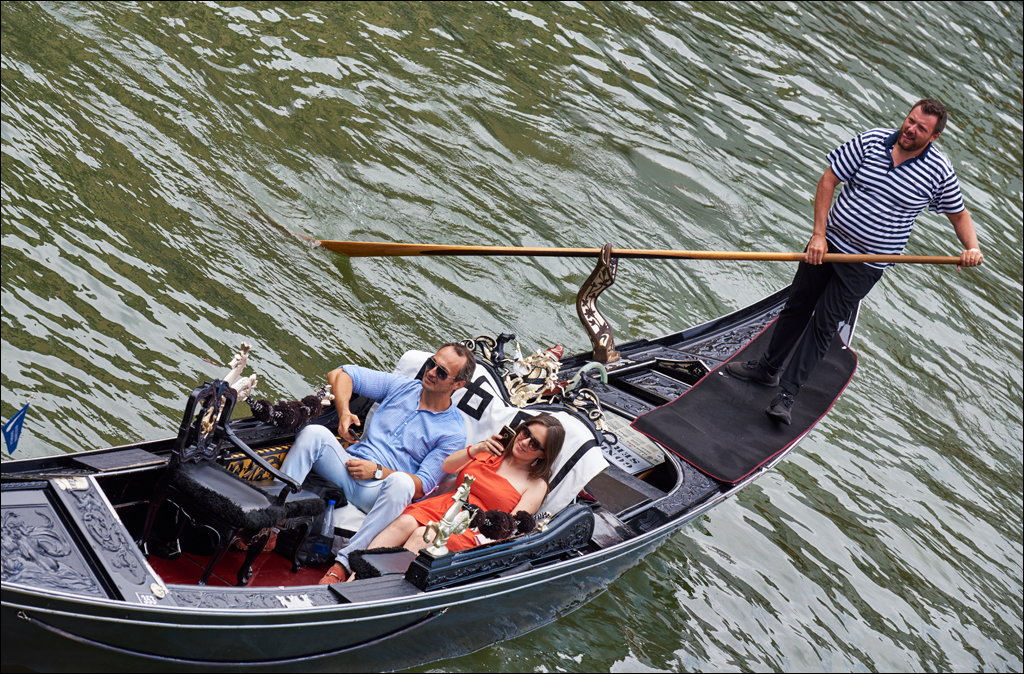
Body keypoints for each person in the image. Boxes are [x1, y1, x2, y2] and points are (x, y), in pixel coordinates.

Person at [726, 98, 983, 424]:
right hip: (828, 245)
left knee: (823, 324)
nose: (910, 128)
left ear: (933, 138)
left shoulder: (938, 172)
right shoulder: (872, 140)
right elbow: (828, 180)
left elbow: (959, 215)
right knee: (797, 306)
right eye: (910, 120)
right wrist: (818, 235)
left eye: (921, 128)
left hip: (867, 263)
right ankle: (766, 369)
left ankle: (787, 396)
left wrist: (971, 248)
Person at [279, 342, 475, 583]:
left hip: (382, 492)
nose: (432, 372)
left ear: (457, 385)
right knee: (313, 433)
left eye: (442, 372)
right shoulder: (402, 386)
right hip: (348, 466)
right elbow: (340, 373)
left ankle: (343, 564)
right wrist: (343, 413)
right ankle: (273, 524)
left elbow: (423, 485)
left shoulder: (453, 432)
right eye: (431, 363)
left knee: (402, 483)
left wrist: (379, 472)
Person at [366, 414, 565, 556]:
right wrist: (478, 448)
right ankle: (353, 578)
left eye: (534, 444)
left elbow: (509, 528)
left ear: (543, 454)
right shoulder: (491, 450)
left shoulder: (536, 484)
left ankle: (375, 595)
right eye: (525, 433)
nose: (524, 442)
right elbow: (447, 465)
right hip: (444, 506)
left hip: (475, 527)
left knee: (423, 535)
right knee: (404, 522)